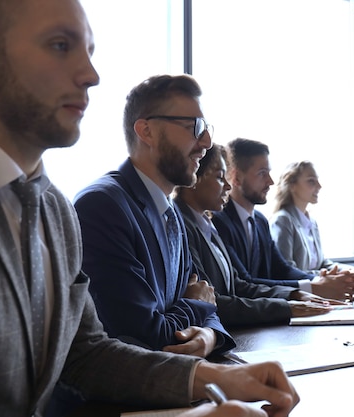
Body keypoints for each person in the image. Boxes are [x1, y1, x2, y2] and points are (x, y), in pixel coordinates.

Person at [0, 1, 298, 416]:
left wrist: (214, 378)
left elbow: (86, 354)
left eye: (89, 51)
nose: (91, 76)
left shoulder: (54, 208)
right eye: (60, 45)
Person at [74, 74, 235, 358]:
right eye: (194, 127)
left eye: (206, 128)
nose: (207, 142)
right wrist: (198, 305)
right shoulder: (101, 206)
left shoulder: (170, 210)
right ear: (146, 131)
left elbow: (200, 297)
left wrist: (210, 334)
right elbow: (143, 336)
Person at [174, 145, 338, 327]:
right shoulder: (182, 226)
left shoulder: (207, 224)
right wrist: (285, 307)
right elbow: (212, 301)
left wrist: (292, 294)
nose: (227, 185)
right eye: (220, 178)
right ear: (194, 177)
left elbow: (238, 285)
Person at [212, 138, 354, 301]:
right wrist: (313, 287)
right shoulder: (218, 221)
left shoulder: (260, 221)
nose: (271, 181)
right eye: (262, 173)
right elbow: (245, 283)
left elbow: (282, 269)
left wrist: (321, 281)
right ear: (236, 177)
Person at [270, 161, 354, 276]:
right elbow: (287, 271)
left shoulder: (311, 223)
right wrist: (329, 276)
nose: (319, 186)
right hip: (302, 291)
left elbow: (322, 264)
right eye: (311, 181)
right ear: (292, 186)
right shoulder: (283, 221)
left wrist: (349, 271)